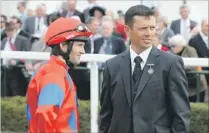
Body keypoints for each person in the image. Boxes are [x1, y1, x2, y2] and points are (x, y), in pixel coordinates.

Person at [99, 5, 190, 133]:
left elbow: (181, 114)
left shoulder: (171, 64)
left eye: (152, 28)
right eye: (143, 28)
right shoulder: (112, 66)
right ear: (127, 29)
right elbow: (106, 115)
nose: (149, 33)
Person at [26, 17, 92, 133]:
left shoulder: (57, 71)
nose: (83, 51)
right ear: (63, 46)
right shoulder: (54, 74)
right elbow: (45, 115)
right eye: (79, 45)